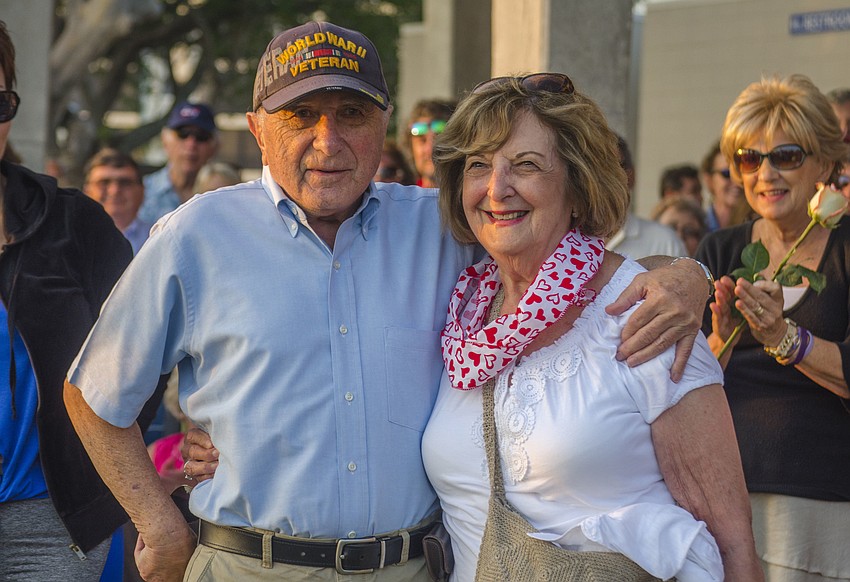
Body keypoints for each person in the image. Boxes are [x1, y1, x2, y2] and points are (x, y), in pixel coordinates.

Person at [65, 21, 709, 582]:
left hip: (411, 569)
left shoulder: (445, 226)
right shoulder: (197, 236)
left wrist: (684, 274)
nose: (328, 139)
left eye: (351, 114)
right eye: (301, 116)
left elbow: (569, 257)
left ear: (383, 124)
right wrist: (161, 523)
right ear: (259, 130)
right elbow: (92, 397)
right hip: (246, 566)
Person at [420, 73, 762, 582]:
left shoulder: (645, 312)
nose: (496, 188)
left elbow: (732, 544)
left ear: (577, 185)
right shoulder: (463, 314)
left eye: (527, 165)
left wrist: (689, 274)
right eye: (478, 165)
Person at [0, 20, 163, 581]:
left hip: (48, 524)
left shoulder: (73, 221)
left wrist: (100, 465)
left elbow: (145, 352)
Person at [696, 74, 850, 580]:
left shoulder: (844, 249)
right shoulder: (720, 250)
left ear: (826, 162)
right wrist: (719, 338)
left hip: (820, 506)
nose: (765, 173)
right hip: (722, 494)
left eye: (786, 156)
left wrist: (785, 339)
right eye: (748, 158)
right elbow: (681, 381)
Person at [607, 136, 688, 259]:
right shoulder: (568, 240)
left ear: (631, 175)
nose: (605, 176)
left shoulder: (665, 243)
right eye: (594, 166)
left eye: (615, 167)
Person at [138, 101, 218, 223]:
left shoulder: (222, 193)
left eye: (201, 136)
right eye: (183, 134)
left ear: (214, 146)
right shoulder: (141, 192)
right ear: (165, 140)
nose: (191, 144)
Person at [83, 147, 151, 254]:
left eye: (125, 182)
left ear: (142, 191)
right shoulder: (73, 240)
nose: (114, 191)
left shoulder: (159, 238)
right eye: (104, 182)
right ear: (87, 191)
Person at [700, 140, 751, 232]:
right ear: (709, 180)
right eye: (727, 173)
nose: (737, 181)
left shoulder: (759, 227)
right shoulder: (698, 228)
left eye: (742, 173)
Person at [404, 98, 456, 187]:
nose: (430, 149)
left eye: (439, 138)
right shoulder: (400, 197)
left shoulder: (477, 198)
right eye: (422, 140)